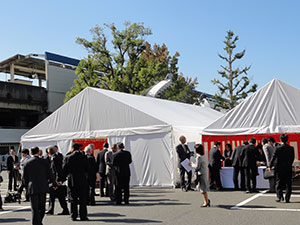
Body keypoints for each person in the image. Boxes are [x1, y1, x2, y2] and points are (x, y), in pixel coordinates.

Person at [23, 146, 57, 225]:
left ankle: (36, 223)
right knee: (42, 207)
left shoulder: (27, 162)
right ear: (38, 152)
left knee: (35, 208)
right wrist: (54, 183)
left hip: (32, 187)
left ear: (31, 153)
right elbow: (50, 173)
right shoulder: (44, 161)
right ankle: (39, 221)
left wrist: (25, 188)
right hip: (43, 186)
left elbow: (25, 178)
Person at [63, 143, 89, 221]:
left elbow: (64, 169)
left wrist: (62, 178)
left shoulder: (68, 157)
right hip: (82, 178)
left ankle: (73, 215)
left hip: (72, 179)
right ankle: (83, 215)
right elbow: (88, 168)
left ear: (72, 148)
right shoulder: (84, 157)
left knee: (73, 198)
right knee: (82, 198)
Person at [269, 134, 295, 203]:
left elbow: (273, 157)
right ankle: (287, 198)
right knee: (288, 183)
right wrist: (289, 164)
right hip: (288, 168)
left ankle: (280, 197)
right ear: (287, 140)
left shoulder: (277, 148)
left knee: (278, 182)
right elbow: (292, 158)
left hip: (279, 168)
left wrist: (270, 166)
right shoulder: (291, 148)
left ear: (280, 139)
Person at [46, 147, 69, 215]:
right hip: (57, 180)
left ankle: (52, 210)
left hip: (56, 181)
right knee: (58, 196)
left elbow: (57, 171)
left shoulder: (55, 158)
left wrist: (56, 181)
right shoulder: (56, 157)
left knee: (55, 196)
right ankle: (63, 209)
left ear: (49, 153)